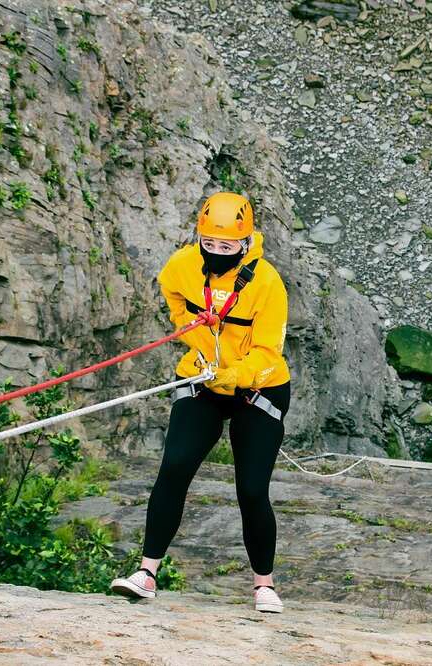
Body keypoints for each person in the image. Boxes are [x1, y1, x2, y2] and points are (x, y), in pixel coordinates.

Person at [111, 192, 291, 613]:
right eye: (210, 244)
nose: (218, 252)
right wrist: (190, 331)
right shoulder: (183, 265)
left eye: (227, 247)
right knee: (174, 467)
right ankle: (147, 572)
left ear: (246, 244)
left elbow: (269, 352)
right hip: (201, 378)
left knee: (250, 488)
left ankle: (263, 585)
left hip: (257, 389)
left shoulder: (267, 284)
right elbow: (173, 296)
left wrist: (235, 373)